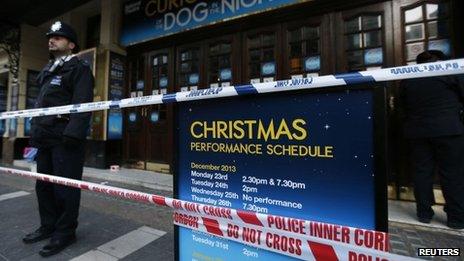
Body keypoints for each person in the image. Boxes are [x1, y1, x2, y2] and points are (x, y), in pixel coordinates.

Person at [22, 21, 94, 256]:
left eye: (58, 37)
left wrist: (72, 135)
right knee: (43, 186)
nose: (51, 40)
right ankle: (48, 226)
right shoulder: (48, 69)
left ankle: (65, 232)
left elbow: (82, 104)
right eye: (50, 37)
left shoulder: (79, 69)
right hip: (44, 138)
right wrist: (35, 133)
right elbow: (41, 105)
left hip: (65, 140)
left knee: (65, 189)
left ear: (71, 45)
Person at [400, 50, 464, 229]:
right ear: (442, 61)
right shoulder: (450, 72)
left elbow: (402, 105)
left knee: (422, 173)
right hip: (449, 130)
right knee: (453, 174)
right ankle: (456, 218)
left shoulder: (408, 78)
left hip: (417, 131)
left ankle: (424, 214)